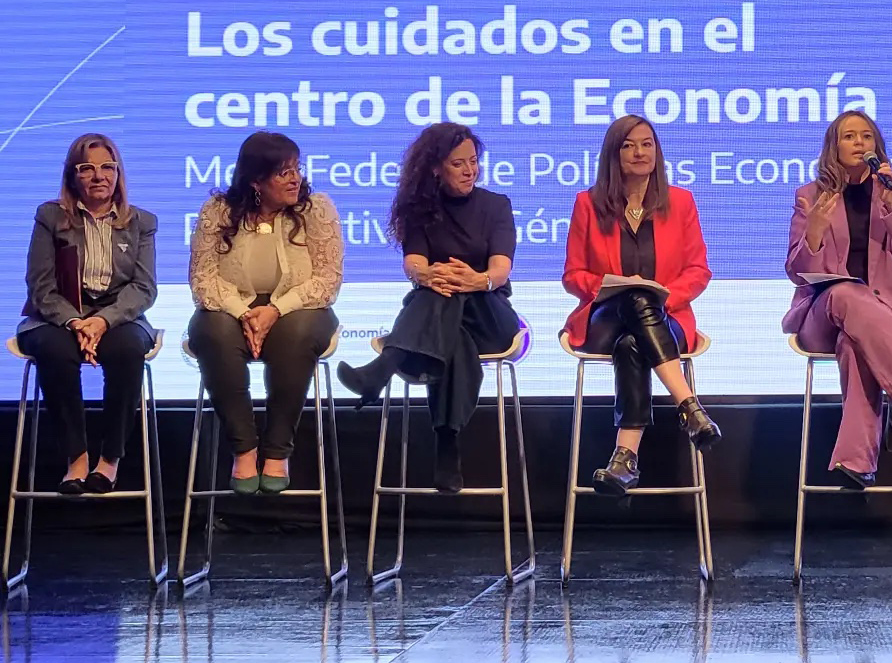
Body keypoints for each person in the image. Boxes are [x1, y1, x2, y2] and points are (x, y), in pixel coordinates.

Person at [782, 110, 892, 491]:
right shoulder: (809, 197)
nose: (859, 143)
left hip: (887, 321)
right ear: (834, 146)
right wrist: (814, 230)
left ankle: (856, 462)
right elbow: (798, 273)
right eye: (850, 136)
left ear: (877, 147)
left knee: (856, 343)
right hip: (823, 314)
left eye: (867, 136)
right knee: (848, 292)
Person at [337, 123, 521, 493]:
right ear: (436, 167)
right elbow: (413, 263)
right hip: (441, 320)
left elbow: (500, 270)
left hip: (490, 312)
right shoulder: (419, 209)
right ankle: (447, 444)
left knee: (439, 294)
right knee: (448, 324)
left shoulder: (496, 205)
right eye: (459, 164)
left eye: (474, 161)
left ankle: (385, 366)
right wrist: (429, 274)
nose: (470, 170)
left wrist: (476, 280)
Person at [562, 115, 720, 496]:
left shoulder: (680, 202)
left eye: (647, 144)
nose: (639, 152)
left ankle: (625, 458)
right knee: (633, 297)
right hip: (602, 318)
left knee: (634, 341)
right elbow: (572, 275)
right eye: (629, 145)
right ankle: (688, 405)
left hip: (668, 317)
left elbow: (699, 270)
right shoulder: (589, 203)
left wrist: (664, 296)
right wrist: (611, 286)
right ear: (614, 155)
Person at [187, 131, 342, 495]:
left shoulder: (316, 208)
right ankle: (244, 448)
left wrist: (275, 309)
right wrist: (244, 313)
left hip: (300, 307)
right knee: (211, 330)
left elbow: (328, 279)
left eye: (296, 170)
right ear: (256, 181)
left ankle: (277, 451)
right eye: (283, 173)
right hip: (233, 307)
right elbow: (202, 278)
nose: (295, 179)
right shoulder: (219, 211)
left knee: (299, 332)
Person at [18, 133, 157, 494]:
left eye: (108, 167)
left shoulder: (141, 222)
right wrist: (76, 321)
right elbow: (40, 284)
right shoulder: (51, 216)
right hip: (57, 316)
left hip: (118, 316)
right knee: (54, 349)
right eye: (87, 168)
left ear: (119, 173)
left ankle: (109, 460)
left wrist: (102, 321)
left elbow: (143, 288)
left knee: (128, 349)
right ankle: (75, 457)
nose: (99, 176)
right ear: (71, 176)